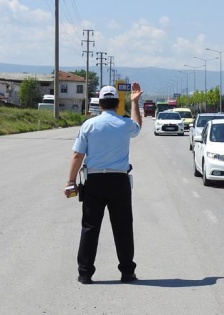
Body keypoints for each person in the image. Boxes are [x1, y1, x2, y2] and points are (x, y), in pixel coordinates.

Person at [64, 83, 143, 284]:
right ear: (117, 104)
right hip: (119, 181)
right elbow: (137, 126)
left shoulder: (89, 125)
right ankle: (127, 272)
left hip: (94, 181)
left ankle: (85, 273)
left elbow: (77, 155)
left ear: (99, 103)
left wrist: (71, 182)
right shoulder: (124, 124)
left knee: (90, 227)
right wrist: (135, 102)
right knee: (123, 227)